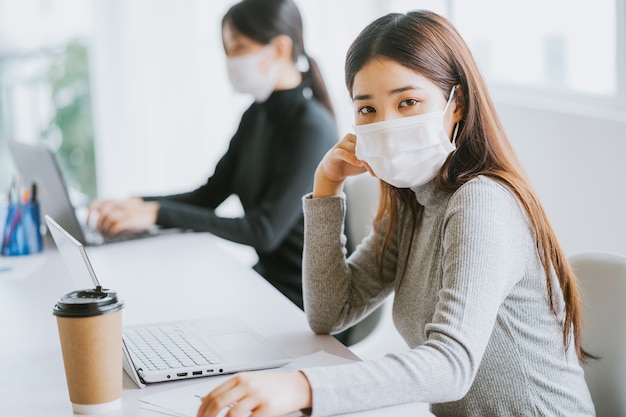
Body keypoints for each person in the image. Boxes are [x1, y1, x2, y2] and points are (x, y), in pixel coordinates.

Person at [196, 10, 596, 417]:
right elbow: (330, 315)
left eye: (408, 102)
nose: (386, 124)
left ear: (456, 105)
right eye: (367, 109)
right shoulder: (413, 200)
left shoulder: (482, 201)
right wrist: (327, 190)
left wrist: (304, 387)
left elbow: (450, 366)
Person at [88, 0, 337, 309]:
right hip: (265, 285)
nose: (230, 60)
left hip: (307, 302)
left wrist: (156, 214)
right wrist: (138, 204)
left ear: (280, 48)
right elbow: (209, 195)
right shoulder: (256, 115)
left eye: (238, 47)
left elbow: (264, 231)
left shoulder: (312, 127)